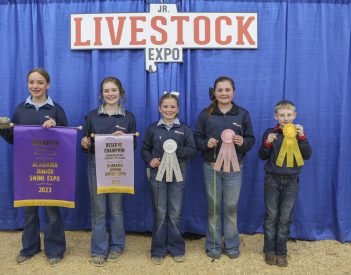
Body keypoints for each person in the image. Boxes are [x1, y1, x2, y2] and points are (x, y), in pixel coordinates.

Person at [0, 68, 68, 266]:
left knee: (51, 210)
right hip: (28, 169)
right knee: (29, 210)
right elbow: (15, 139)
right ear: (27, 84)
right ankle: (29, 248)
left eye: (39, 82)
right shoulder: (21, 109)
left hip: (51, 169)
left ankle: (54, 249)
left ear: (48, 84)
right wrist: (4, 130)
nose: (35, 86)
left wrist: (56, 126)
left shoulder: (56, 109)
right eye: (31, 82)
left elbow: (67, 138)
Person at [194, 76, 255, 259]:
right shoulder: (206, 114)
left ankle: (231, 245)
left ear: (233, 92)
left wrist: (242, 142)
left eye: (227, 90)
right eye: (220, 90)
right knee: (213, 208)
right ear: (215, 92)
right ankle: (212, 246)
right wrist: (206, 143)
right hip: (211, 167)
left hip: (235, 168)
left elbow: (251, 139)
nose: (223, 93)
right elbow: (196, 138)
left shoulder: (242, 114)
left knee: (230, 207)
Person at [81, 76, 136, 267]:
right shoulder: (92, 116)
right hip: (96, 165)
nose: (110, 94)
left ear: (120, 93)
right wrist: (84, 143)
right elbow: (86, 144)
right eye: (106, 91)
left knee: (116, 209)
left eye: (114, 90)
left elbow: (133, 145)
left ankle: (117, 246)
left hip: (118, 168)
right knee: (99, 210)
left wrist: (124, 139)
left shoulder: (128, 117)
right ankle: (98, 249)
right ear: (101, 94)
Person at [141, 92, 196, 265]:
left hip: (179, 173)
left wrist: (177, 149)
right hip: (157, 174)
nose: (169, 109)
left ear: (178, 109)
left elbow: (192, 151)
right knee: (160, 213)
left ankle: (176, 248)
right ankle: (158, 249)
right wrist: (150, 159)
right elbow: (145, 149)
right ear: (159, 108)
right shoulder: (152, 128)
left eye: (173, 107)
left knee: (175, 213)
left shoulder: (185, 129)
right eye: (165, 106)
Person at [259, 100, 312, 267]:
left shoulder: (298, 133)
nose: (286, 118)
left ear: (295, 115)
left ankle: (281, 252)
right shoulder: (270, 132)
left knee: (285, 218)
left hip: (291, 181)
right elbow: (262, 155)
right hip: (272, 180)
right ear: (276, 116)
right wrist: (267, 143)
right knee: (271, 216)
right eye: (282, 115)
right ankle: (269, 250)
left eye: (289, 115)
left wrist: (302, 137)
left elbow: (307, 155)